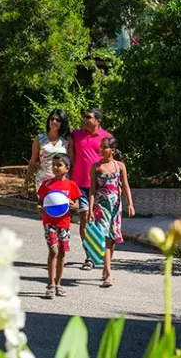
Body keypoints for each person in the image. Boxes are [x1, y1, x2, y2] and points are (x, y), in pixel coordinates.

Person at [68, 107, 111, 270]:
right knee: (84, 219)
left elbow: (112, 160)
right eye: (84, 116)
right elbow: (70, 153)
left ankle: (100, 253)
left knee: (99, 221)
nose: (85, 119)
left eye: (89, 117)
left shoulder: (106, 138)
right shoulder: (76, 135)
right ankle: (89, 257)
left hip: (100, 186)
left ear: (98, 121)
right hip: (80, 184)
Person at [88, 136, 134, 287]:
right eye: (100, 147)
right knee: (105, 237)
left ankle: (106, 268)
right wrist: (90, 209)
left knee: (112, 238)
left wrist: (130, 204)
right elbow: (93, 191)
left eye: (104, 147)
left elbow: (125, 186)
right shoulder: (95, 167)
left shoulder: (119, 166)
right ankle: (108, 272)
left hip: (115, 206)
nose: (101, 150)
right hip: (101, 206)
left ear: (112, 150)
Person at [37, 154, 82, 299]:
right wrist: (40, 208)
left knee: (62, 253)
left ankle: (58, 284)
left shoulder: (71, 185)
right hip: (49, 222)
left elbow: (77, 204)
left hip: (64, 223)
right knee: (54, 251)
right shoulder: (47, 185)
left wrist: (73, 205)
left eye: (59, 165)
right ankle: (50, 284)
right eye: (54, 165)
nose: (55, 167)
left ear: (67, 168)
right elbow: (40, 202)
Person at [25, 109, 70, 192]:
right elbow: (33, 161)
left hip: (62, 181)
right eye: (52, 119)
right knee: (43, 204)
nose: (54, 121)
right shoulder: (39, 138)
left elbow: (72, 163)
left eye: (58, 120)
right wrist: (26, 182)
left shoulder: (67, 140)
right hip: (43, 181)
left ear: (62, 122)